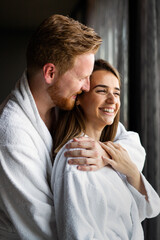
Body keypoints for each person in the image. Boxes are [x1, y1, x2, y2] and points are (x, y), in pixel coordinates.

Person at [0, 14, 145, 240]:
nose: (87, 87)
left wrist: (105, 153)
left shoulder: (65, 102)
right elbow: (43, 228)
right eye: (82, 78)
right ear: (50, 73)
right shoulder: (11, 134)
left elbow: (129, 140)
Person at [51, 59, 160, 240]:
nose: (112, 100)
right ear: (79, 97)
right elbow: (77, 234)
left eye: (116, 93)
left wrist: (132, 171)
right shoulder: (76, 156)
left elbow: (143, 210)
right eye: (101, 91)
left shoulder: (110, 149)